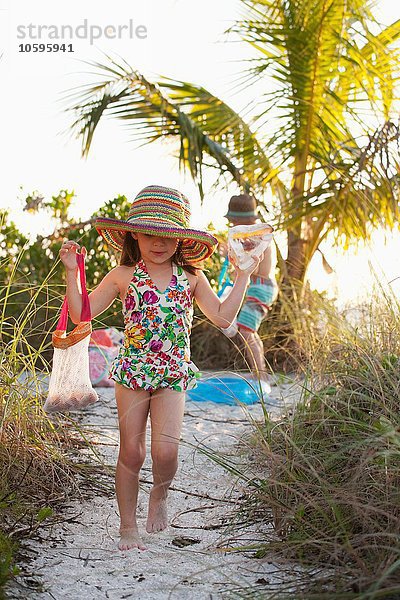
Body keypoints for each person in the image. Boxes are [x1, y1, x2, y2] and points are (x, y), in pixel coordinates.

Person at [59, 185, 263, 552]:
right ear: (134, 233)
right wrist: (72, 272)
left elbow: (221, 316)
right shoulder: (122, 274)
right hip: (134, 370)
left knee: (165, 453)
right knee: (132, 452)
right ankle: (127, 526)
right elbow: (80, 314)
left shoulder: (192, 277)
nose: (158, 242)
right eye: (150, 233)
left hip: (173, 371)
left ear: (181, 238)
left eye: (168, 235)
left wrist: (244, 276)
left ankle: (160, 492)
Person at [224, 193, 278, 388]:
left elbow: (252, 257)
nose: (232, 225)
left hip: (262, 287)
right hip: (258, 287)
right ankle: (260, 373)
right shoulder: (249, 236)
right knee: (249, 331)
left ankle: (261, 376)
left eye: (234, 221)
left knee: (246, 331)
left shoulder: (257, 235)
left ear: (244, 220)